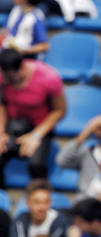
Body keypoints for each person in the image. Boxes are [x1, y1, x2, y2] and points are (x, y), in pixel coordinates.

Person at [0, 48, 65, 186]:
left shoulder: (49, 77)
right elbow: (2, 104)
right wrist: (1, 132)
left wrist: (35, 136)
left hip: (40, 126)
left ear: (22, 68)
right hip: (14, 123)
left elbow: (60, 111)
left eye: (10, 77)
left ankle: (41, 196)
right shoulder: (3, 75)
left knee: (36, 165)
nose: (6, 80)